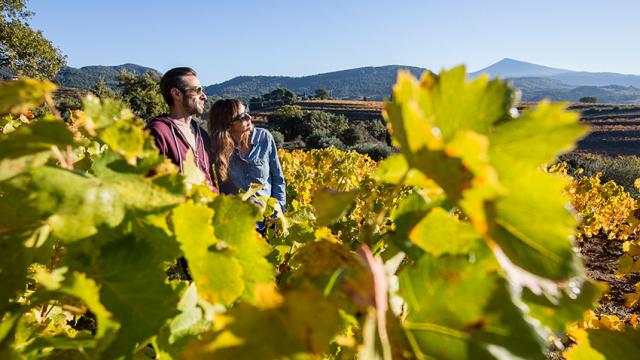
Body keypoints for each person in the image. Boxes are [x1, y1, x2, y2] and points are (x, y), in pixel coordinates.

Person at [146, 67, 218, 192]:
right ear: (176, 94)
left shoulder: (202, 135)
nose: (204, 96)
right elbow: (149, 185)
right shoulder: (157, 133)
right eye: (198, 90)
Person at [208, 99, 286, 214]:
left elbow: (277, 178)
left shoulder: (264, 137)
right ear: (228, 125)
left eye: (247, 111)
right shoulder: (214, 148)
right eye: (242, 117)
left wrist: (279, 210)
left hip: (266, 219)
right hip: (235, 221)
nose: (249, 117)